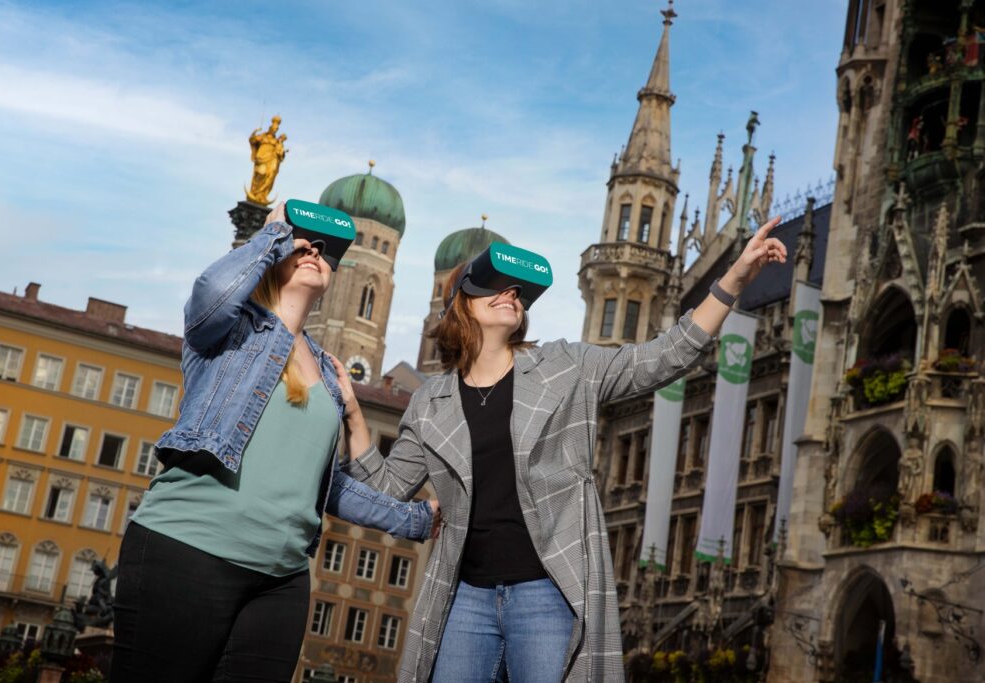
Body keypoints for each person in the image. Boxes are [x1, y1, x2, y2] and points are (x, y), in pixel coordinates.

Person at [336, 218, 788, 682]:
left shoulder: (563, 367)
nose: (510, 293)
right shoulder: (431, 402)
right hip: (465, 595)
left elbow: (661, 358)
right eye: (494, 285)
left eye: (518, 291)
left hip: (547, 592)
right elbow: (386, 490)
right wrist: (354, 416)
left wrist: (733, 279)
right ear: (460, 303)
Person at [111, 202, 438, 683]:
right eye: (302, 245)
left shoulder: (329, 373)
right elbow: (211, 293)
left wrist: (414, 519)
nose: (314, 252)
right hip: (188, 547)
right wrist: (273, 234)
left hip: (281, 579)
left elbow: (322, 485)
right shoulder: (230, 329)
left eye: (324, 251)